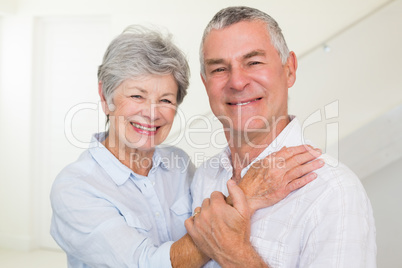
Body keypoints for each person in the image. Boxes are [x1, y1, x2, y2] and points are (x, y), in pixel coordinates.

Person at [50, 25, 323, 268]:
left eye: (166, 100)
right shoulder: (75, 187)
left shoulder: (179, 165)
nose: (152, 113)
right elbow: (145, 264)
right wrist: (246, 196)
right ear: (105, 97)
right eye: (137, 96)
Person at [186, 6, 377, 268]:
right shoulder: (203, 178)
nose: (237, 82)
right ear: (206, 82)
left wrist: (235, 254)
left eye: (253, 62)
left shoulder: (333, 192)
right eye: (219, 69)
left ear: (289, 70)